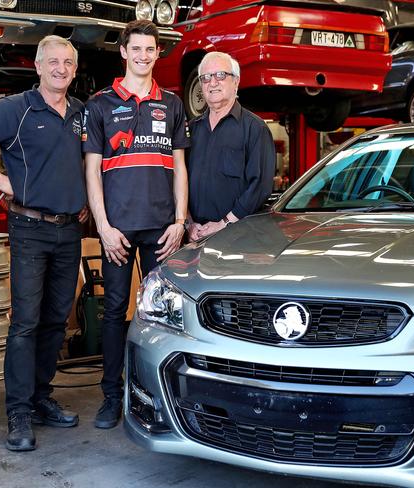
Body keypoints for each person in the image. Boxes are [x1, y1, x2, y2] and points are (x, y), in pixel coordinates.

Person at [0, 35, 87, 451]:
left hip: (69, 230)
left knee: (56, 321)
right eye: (53, 61)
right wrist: (1, 180)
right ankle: (18, 411)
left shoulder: (81, 112)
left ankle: (41, 397)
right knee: (25, 323)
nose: (61, 68)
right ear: (38, 67)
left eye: (68, 63)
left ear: (75, 70)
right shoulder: (15, 109)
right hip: (29, 228)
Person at [83, 20, 189, 429]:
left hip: (162, 230)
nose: (143, 56)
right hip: (118, 231)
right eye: (137, 49)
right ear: (123, 53)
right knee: (113, 312)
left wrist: (180, 221)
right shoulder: (101, 104)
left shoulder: (173, 103)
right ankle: (112, 396)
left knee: (164, 315)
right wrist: (104, 227)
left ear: (157, 53)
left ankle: (161, 401)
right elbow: (92, 171)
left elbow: (180, 168)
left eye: (150, 49)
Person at [187, 52, 276, 240]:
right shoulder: (192, 130)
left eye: (220, 75)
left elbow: (260, 186)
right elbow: (180, 180)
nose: (212, 83)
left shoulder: (255, 129)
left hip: (238, 237)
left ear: (236, 81)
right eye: (206, 78)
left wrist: (224, 223)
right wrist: (188, 223)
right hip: (195, 236)